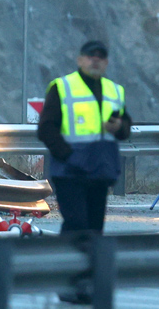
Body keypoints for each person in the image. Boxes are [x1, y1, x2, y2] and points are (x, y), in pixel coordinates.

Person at [38, 40, 132, 235]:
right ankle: (64, 263)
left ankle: (89, 265)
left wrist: (119, 126)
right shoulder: (62, 87)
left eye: (101, 57)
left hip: (100, 172)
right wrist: (68, 155)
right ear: (80, 60)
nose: (95, 61)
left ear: (106, 63)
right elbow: (46, 129)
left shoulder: (114, 90)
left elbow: (125, 128)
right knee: (77, 225)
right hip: (70, 173)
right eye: (91, 56)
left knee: (95, 229)